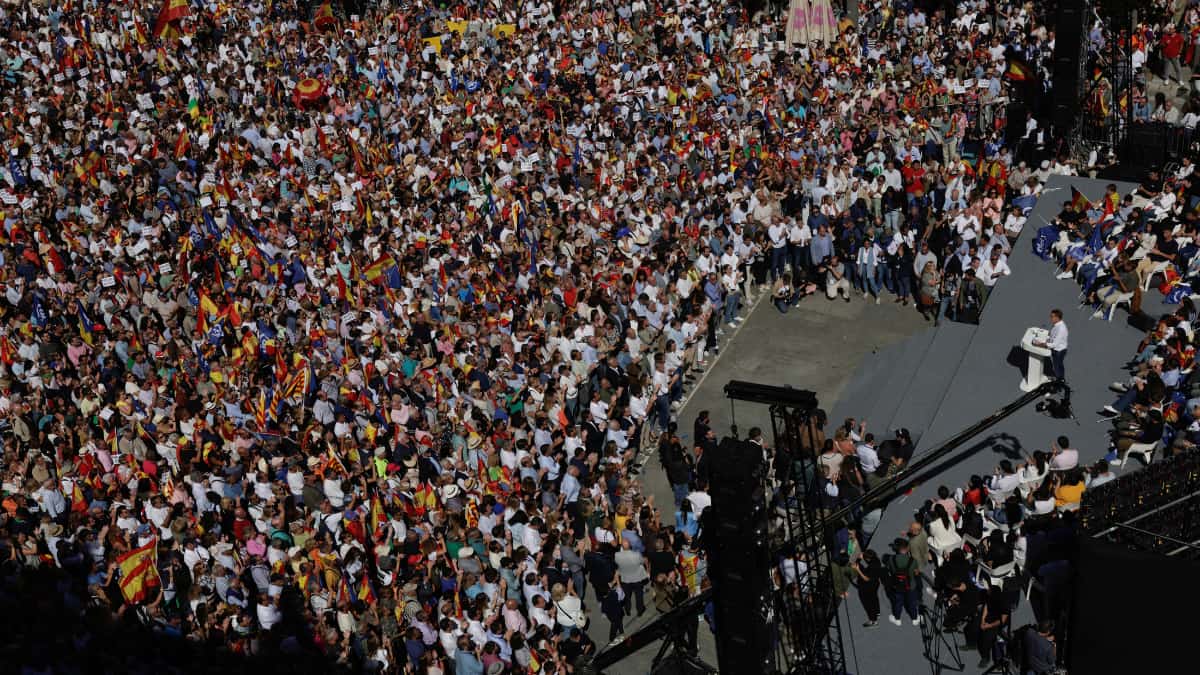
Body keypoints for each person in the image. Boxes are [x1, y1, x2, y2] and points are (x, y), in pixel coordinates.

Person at [885, 538, 921, 626]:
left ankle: (897, 619)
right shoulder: (913, 560)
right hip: (910, 586)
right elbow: (916, 572)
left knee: (898, 603)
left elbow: (890, 570)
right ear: (906, 549)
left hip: (897, 585)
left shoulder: (891, 559)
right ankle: (915, 619)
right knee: (912, 602)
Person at [851, 549, 884, 627]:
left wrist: (858, 569)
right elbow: (868, 561)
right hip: (875, 584)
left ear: (868, 558)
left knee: (868, 604)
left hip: (868, 586)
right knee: (874, 599)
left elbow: (866, 578)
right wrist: (863, 557)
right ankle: (877, 613)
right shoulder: (876, 560)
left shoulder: (872, 567)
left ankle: (873, 621)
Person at [1033, 309, 1069, 380]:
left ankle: (1059, 382)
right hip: (1058, 349)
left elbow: (1054, 344)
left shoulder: (1061, 329)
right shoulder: (1057, 325)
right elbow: (1053, 335)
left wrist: (1039, 344)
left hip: (1059, 351)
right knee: (1058, 366)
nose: (1050, 318)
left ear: (1057, 317)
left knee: (1057, 366)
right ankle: (1060, 379)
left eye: (1052, 316)